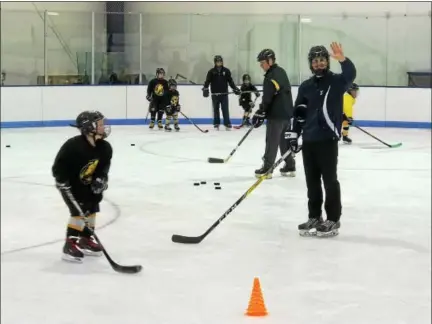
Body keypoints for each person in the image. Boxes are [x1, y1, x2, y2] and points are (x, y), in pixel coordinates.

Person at [285, 42, 356, 237]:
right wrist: (293, 135)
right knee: (312, 181)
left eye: (322, 60)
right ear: (311, 64)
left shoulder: (336, 82)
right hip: (309, 140)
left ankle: (333, 219)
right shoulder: (306, 86)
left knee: (330, 180)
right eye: (315, 61)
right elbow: (299, 113)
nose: (319, 64)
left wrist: (343, 59)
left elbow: (350, 75)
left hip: (327, 140)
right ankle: (315, 216)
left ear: (327, 62)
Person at [52, 111, 113, 263]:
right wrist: (61, 180)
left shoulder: (104, 147)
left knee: (92, 206)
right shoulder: (73, 146)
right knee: (79, 211)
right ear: (88, 128)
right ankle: (70, 243)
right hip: (70, 184)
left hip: (88, 182)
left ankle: (85, 239)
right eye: (99, 124)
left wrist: (101, 178)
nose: (103, 127)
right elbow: (58, 166)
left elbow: (104, 166)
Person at [251, 49, 296, 179]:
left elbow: (267, 98)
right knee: (284, 142)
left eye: (263, 62)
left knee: (272, 141)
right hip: (287, 114)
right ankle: (290, 166)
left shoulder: (270, 76)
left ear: (270, 61)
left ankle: (267, 168)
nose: (261, 65)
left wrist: (261, 111)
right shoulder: (281, 71)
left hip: (276, 115)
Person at [202, 55, 241, 130]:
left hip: (224, 94)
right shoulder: (211, 71)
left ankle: (227, 123)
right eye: (218, 62)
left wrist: (235, 88)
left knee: (225, 109)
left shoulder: (226, 71)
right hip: (215, 94)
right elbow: (207, 81)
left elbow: (230, 81)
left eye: (220, 61)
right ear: (215, 62)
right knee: (216, 109)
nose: (219, 63)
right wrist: (205, 88)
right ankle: (216, 123)